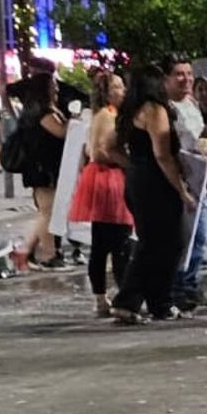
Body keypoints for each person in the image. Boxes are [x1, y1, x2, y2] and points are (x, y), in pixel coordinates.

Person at [110, 66, 195, 324]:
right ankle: (139, 301)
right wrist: (182, 190)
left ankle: (154, 303)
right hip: (157, 183)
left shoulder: (130, 112)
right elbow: (162, 155)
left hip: (137, 181)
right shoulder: (155, 110)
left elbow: (108, 147)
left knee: (153, 242)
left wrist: (134, 165)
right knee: (168, 242)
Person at [68, 70, 133, 315]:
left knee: (102, 243)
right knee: (118, 242)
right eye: (118, 87)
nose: (123, 91)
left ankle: (102, 299)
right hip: (109, 179)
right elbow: (100, 151)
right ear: (107, 92)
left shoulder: (101, 115)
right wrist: (127, 162)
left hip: (100, 178)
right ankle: (121, 297)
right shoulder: (108, 115)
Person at [163, 56, 207, 312]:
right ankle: (178, 288)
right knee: (184, 237)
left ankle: (192, 284)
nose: (185, 79)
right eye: (179, 74)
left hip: (200, 176)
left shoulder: (191, 104)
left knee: (200, 236)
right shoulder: (166, 109)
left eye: (188, 74)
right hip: (182, 178)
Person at [15, 70, 67, 267]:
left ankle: (26, 251)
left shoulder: (41, 110)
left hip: (43, 167)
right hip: (41, 169)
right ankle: (48, 254)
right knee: (48, 211)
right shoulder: (42, 113)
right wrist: (74, 123)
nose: (57, 88)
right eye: (53, 85)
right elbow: (60, 132)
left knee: (47, 211)